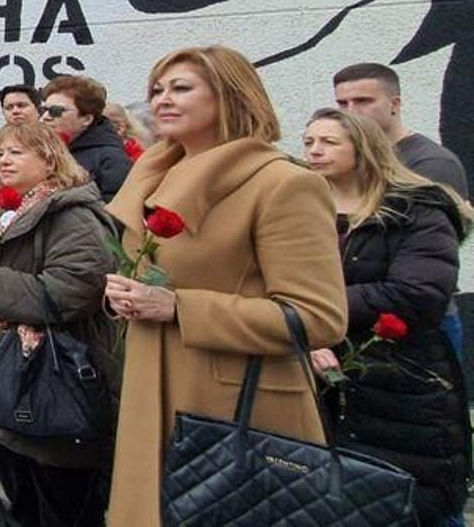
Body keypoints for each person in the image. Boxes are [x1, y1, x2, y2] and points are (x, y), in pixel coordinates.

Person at [103, 46, 347, 527]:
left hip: (233, 409)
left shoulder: (283, 184)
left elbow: (318, 317)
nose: (162, 99)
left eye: (181, 88)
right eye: (157, 89)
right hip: (150, 391)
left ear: (230, 95)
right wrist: (124, 297)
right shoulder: (153, 175)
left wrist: (180, 308)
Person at [0, 121, 119, 527]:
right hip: (9, 375)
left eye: (16, 152)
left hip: (53, 384)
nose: (3, 160)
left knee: (61, 506)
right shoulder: (2, 209)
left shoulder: (73, 215)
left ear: (50, 159)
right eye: (0, 153)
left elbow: (73, 291)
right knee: (22, 501)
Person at [302, 107, 471, 525]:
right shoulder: (302, 209)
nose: (315, 151)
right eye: (309, 142)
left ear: (364, 147)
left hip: (400, 376)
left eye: (329, 142)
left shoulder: (415, 208)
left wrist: (313, 309)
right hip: (318, 377)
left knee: (416, 497)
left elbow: (417, 293)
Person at [333, 62, 469, 199]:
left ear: (394, 104)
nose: (351, 111)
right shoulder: (344, 158)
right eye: (342, 103)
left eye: (363, 101)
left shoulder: (432, 162)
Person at [39, 75, 132, 201]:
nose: (45, 117)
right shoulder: (43, 152)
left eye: (56, 111)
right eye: (43, 110)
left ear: (86, 119)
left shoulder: (112, 160)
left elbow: (115, 209)